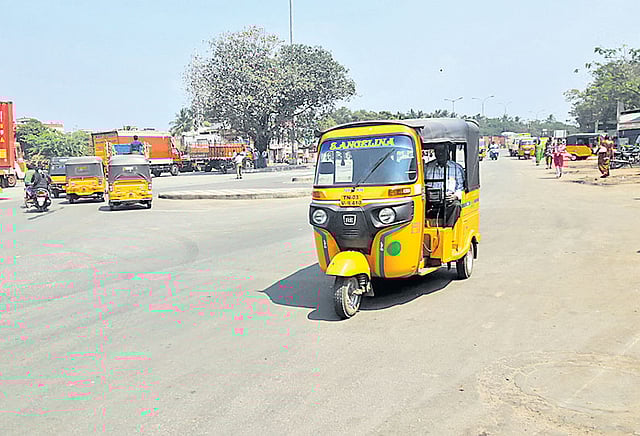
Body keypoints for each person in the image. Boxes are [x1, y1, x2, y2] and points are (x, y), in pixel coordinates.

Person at [424, 143, 465, 227]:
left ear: (447, 152)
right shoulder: (427, 167)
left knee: (456, 205)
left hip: (448, 201)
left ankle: (448, 230)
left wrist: (455, 196)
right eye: (437, 151)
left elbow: (460, 188)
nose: (440, 154)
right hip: (430, 201)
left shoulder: (456, 168)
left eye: (442, 151)